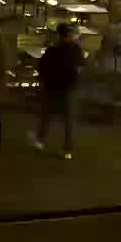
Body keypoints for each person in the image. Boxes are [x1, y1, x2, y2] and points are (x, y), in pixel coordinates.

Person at [35, 22, 85, 158]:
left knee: (47, 116)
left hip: (52, 87)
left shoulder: (52, 49)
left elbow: (42, 66)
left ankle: (40, 141)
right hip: (69, 87)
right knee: (69, 120)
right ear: (69, 34)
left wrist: (43, 80)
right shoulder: (76, 49)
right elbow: (81, 65)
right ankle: (67, 150)